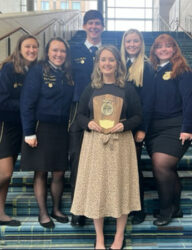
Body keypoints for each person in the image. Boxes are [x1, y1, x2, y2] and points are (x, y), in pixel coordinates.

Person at [70, 45, 142, 250]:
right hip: (96, 144)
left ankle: (119, 236)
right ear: (98, 63)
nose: (107, 63)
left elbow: (138, 116)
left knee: (121, 187)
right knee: (97, 189)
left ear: (118, 63)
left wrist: (124, 125)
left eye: (111, 60)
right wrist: (88, 124)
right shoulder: (91, 87)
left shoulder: (127, 88)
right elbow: (80, 115)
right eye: (103, 60)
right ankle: (99, 238)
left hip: (121, 144)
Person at [0, 34, 39, 226]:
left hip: (17, 125)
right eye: (27, 47)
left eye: (35, 47)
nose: (31, 50)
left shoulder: (32, 70)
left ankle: (0, 212)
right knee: (5, 172)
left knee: (9, 172)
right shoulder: (9, 69)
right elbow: (0, 102)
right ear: (19, 48)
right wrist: (27, 105)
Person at [20, 37, 74, 229]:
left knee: (59, 171)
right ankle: (43, 212)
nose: (59, 54)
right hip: (40, 128)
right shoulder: (38, 71)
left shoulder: (67, 73)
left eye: (62, 51)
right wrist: (28, 132)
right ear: (48, 52)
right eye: (55, 50)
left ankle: (56, 209)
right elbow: (27, 102)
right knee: (41, 172)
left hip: (61, 129)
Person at [146, 34, 192, 226]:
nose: (164, 49)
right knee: (168, 168)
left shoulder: (182, 70)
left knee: (161, 165)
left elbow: (190, 101)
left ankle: (165, 210)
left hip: (176, 126)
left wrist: (188, 128)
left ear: (175, 48)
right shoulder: (151, 70)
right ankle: (175, 208)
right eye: (159, 47)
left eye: (168, 46)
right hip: (154, 130)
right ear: (154, 50)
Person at [69, 9, 104, 227]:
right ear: (84, 27)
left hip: (106, 112)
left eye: (97, 24)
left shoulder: (109, 52)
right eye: (90, 23)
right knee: (76, 159)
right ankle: (78, 208)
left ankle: (100, 206)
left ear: (102, 27)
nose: (94, 27)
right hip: (77, 112)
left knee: (101, 162)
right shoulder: (73, 51)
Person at [120, 29, 155, 224]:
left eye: (135, 41)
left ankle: (138, 208)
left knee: (133, 168)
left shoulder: (147, 67)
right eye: (128, 42)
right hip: (118, 126)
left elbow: (148, 101)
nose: (132, 45)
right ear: (123, 44)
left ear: (141, 43)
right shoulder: (119, 65)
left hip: (136, 127)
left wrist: (143, 128)